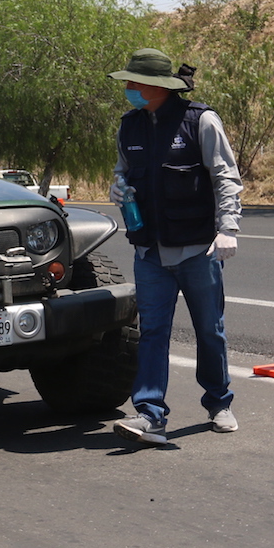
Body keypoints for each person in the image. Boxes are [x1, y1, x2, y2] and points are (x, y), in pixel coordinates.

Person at [106, 48, 243, 446]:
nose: (129, 89)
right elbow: (122, 172)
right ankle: (150, 415)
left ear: (158, 86)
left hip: (198, 250)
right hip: (149, 253)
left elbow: (225, 177)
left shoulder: (200, 121)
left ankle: (219, 402)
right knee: (152, 332)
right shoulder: (128, 126)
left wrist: (228, 228)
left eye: (134, 82)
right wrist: (117, 187)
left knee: (210, 331)